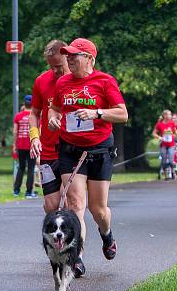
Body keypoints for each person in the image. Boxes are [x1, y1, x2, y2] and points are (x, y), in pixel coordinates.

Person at [47, 38, 128, 277]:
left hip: (100, 150)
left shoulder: (105, 81)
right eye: (68, 56)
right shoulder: (62, 83)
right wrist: (53, 118)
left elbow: (122, 114)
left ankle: (107, 235)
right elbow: (56, 108)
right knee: (75, 205)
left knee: (98, 209)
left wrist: (97, 113)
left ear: (90, 59)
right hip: (70, 151)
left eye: (75, 56)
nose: (69, 59)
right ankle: (77, 256)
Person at [29, 39, 70, 213]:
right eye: (51, 66)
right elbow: (34, 113)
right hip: (48, 151)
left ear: (68, 57)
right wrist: (34, 137)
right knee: (51, 206)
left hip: (71, 150)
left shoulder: (79, 81)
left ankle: (72, 239)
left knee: (69, 199)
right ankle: (58, 237)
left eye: (59, 66)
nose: (55, 70)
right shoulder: (41, 81)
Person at [12, 95, 36, 198]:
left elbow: (15, 131)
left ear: (24, 103)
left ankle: (16, 191)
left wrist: (14, 144)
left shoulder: (18, 116)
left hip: (20, 145)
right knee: (31, 168)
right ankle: (29, 192)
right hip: (32, 145)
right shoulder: (35, 116)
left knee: (21, 168)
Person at [152, 109, 177, 180]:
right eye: (169, 114)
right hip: (163, 145)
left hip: (171, 145)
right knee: (163, 161)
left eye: (170, 114)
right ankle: (166, 176)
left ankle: (173, 172)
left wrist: (175, 136)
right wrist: (159, 137)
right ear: (165, 115)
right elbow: (153, 133)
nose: (170, 116)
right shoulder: (159, 124)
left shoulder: (172, 123)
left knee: (170, 160)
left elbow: (176, 133)